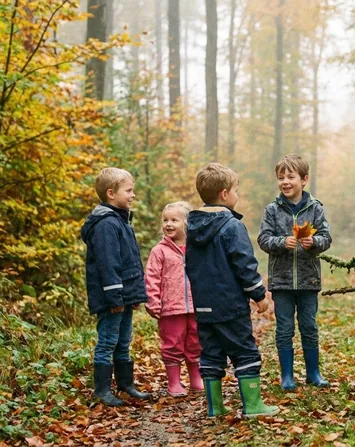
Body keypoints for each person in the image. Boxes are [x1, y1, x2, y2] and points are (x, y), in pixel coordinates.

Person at [186, 163, 278, 417]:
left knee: (211, 353)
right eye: (236, 190)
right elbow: (244, 264)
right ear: (225, 194)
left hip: (204, 305)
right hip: (229, 304)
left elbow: (190, 265)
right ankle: (253, 405)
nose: (238, 195)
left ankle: (215, 407)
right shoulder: (231, 226)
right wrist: (259, 294)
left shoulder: (192, 227)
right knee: (244, 350)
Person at [257, 154, 333, 390]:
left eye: (291, 177)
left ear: (304, 180)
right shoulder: (272, 209)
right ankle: (287, 376)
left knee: (309, 327)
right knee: (284, 328)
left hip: (309, 281)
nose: (285, 182)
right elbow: (263, 238)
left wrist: (315, 242)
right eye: (281, 178)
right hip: (282, 282)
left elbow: (326, 237)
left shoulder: (315, 208)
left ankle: (313, 373)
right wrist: (281, 242)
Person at [80, 167, 152, 407]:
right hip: (112, 298)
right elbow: (108, 264)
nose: (133, 195)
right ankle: (102, 390)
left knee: (123, 340)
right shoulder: (106, 225)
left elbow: (128, 262)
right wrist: (115, 298)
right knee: (108, 341)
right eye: (129, 191)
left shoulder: (121, 221)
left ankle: (125, 383)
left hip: (124, 295)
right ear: (111, 194)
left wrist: (132, 294)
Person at [145, 201, 203, 397]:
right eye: (165, 220)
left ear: (187, 223)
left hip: (196, 306)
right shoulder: (159, 251)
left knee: (195, 342)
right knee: (172, 343)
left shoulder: (197, 248)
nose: (168, 224)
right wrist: (153, 301)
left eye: (174, 220)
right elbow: (151, 277)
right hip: (170, 308)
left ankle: (196, 379)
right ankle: (174, 382)